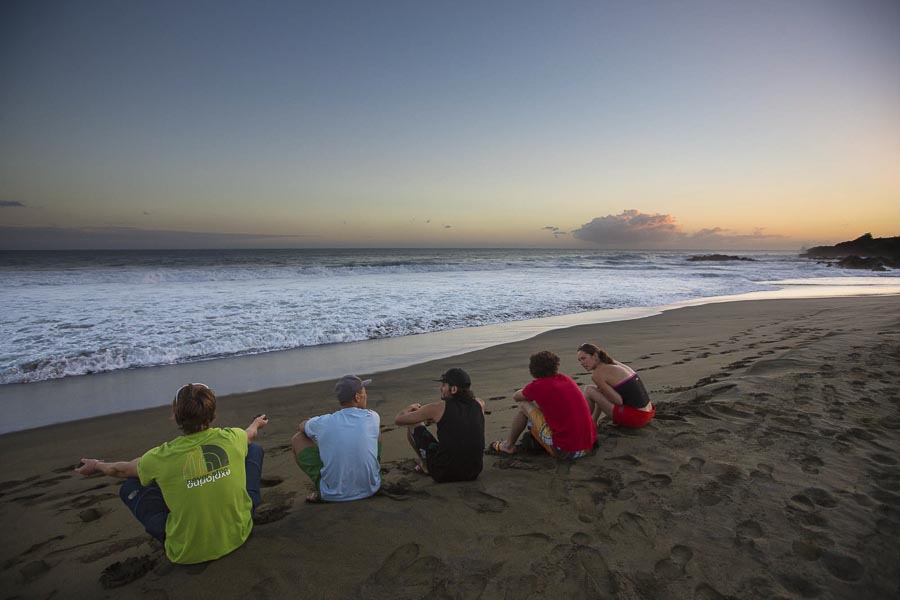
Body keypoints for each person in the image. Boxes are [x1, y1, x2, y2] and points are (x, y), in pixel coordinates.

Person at [75, 383, 268, 565]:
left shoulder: (159, 457)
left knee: (131, 485)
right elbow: (249, 434)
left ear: (175, 416)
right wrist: (256, 423)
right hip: (239, 533)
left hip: (187, 552)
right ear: (213, 414)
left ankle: (177, 531)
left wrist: (96, 465)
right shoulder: (233, 437)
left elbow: (119, 470)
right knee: (253, 450)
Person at [488, 351, 596, 459]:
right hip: (588, 444)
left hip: (567, 451)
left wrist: (530, 388)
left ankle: (508, 445)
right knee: (541, 406)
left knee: (524, 405)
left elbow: (516, 397)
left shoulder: (538, 386)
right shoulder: (565, 379)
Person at [291, 374, 381, 502]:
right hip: (371, 488)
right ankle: (371, 472)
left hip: (332, 495)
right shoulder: (373, 416)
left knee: (297, 438)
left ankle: (321, 486)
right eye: (364, 393)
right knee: (375, 432)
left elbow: (301, 427)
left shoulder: (323, 421)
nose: (366, 396)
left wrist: (313, 422)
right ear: (357, 397)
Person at [395, 367, 486, 482]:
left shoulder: (438, 407)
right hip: (473, 472)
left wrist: (410, 408)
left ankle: (425, 466)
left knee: (414, 423)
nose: (441, 388)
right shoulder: (479, 404)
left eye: (443, 385)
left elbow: (399, 420)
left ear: (453, 389)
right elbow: (461, 420)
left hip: (445, 473)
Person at [577, 342, 655, 428]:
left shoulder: (598, 374)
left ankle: (583, 424)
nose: (581, 363)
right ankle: (593, 422)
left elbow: (618, 401)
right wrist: (603, 390)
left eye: (583, 358)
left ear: (595, 356)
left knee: (589, 390)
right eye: (579, 360)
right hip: (648, 412)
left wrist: (603, 391)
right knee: (600, 391)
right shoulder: (612, 363)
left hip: (637, 418)